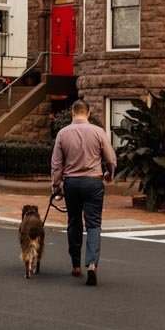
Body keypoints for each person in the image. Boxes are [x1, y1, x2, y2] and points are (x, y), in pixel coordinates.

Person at [50, 99, 116, 286]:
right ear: (88, 114)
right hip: (93, 182)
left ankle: (75, 264)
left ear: (72, 113)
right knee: (94, 224)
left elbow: (56, 164)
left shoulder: (63, 134)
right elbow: (110, 158)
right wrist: (109, 173)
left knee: (74, 221)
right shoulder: (98, 132)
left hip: (71, 183)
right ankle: (92, 264)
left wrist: (56, 186)